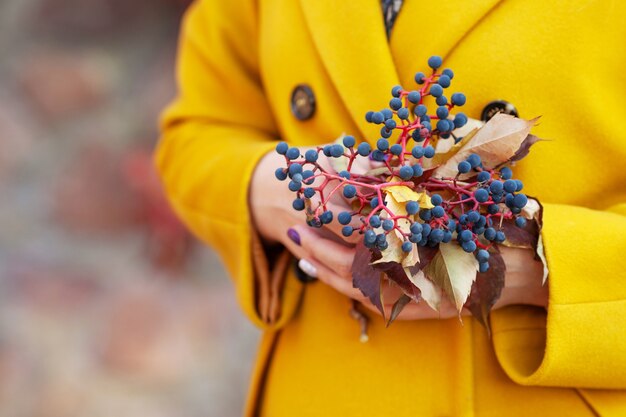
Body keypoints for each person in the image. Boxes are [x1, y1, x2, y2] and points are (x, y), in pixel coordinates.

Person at [155, 0, 626, 415]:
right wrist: (274, 188)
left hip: (533, 393)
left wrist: (535, 266)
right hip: (327, 386)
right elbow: (197, 133)